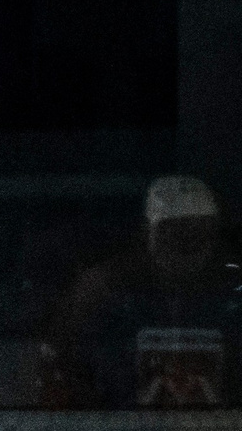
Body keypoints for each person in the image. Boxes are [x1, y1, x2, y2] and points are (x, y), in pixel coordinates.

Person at [40, 175, 242, 410]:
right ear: (148, 231)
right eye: (173, 232)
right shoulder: (105, 288)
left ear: (214, 234)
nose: (186, 244)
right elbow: (64, 362)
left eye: (199, 232)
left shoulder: (234, 291)